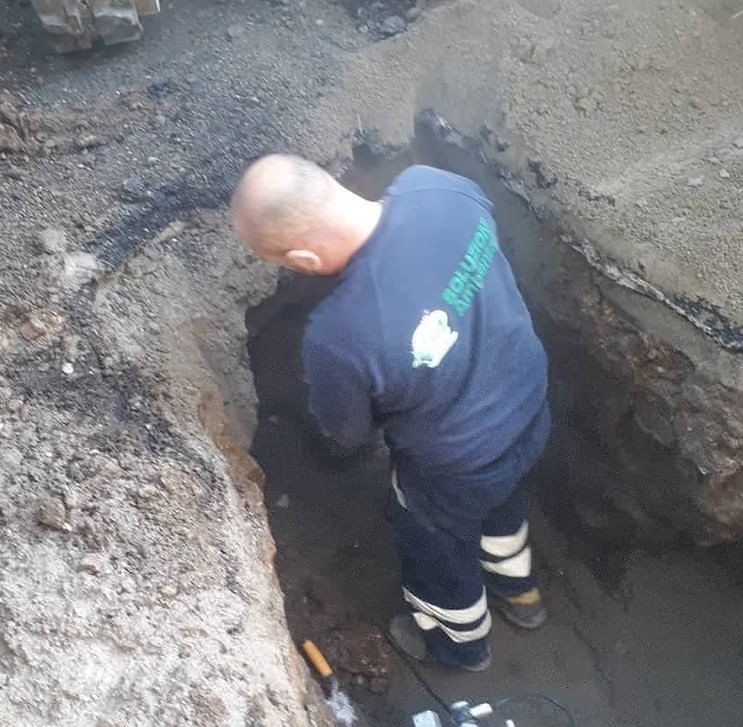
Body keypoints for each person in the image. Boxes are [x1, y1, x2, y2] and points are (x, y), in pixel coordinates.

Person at [230, 155, 550, 672]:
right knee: (502, 501)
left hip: (455, 469)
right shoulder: (440, 185)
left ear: (304, 258)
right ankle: (522, 594)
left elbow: (349, 436)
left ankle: (460, 643)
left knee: (436, 550)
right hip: (529, 408)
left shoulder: (338, 335)